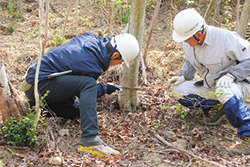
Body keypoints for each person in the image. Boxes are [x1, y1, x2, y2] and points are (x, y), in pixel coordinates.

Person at [22, 32, 139, 156]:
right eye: (121, 61)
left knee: (78, 110)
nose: (120, 64)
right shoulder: (91, 64)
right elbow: (86, 88)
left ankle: (33, 107)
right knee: (88, 83)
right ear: (115, 55)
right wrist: (104, 88)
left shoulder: (91, 39)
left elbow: (77, 84)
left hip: (39, 82)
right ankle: (90, 140)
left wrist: (106, 87)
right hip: (38, 85)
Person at [167, 8, 250, 157]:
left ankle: (248, 136)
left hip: (239, 84)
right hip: (212, 85)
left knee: (223, 90)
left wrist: (232, 75)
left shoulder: (225, 38)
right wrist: (184, 76)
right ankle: (216, 108)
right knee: (177, 89)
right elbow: (190, 61)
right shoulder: (189, 42)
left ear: (199, 34)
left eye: (186, 39)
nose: (184, 42)